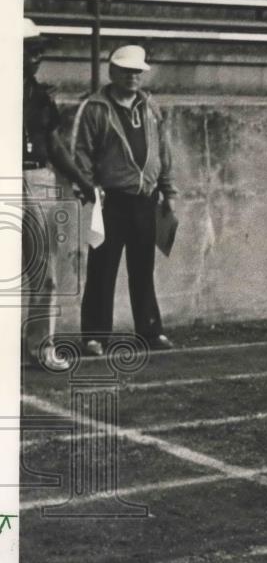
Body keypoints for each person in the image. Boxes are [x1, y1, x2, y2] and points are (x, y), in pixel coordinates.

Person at [73, 45, 177, 355]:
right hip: (109, 201)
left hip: (145, 199)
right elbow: (82, 153)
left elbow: (163, 152)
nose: (133, 77)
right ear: (113, 72)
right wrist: (89, 190)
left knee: (143, 268)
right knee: (102, 268)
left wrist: (169, 191)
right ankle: (94, 336)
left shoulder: (151, 107)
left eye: (137, 72)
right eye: (127, 71)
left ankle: (149, 330)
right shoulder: (94, 108)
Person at [21, 19, 96, 370]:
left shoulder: (39, 96)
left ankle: (40, 347)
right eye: (29, 49)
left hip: (36, 176)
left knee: (44, 269)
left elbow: (53, 144)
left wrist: (81, 179)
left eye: (38, 50)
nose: (37, 56)